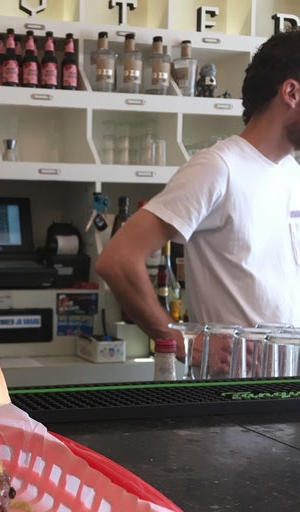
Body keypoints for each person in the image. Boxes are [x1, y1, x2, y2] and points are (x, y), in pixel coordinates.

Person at [95, 30, 300, 364]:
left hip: (287, 390)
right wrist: (177, 340)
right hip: (232, 395)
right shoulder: (220, 167)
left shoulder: (292, 173)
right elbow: (117, 260)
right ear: (291, 92)